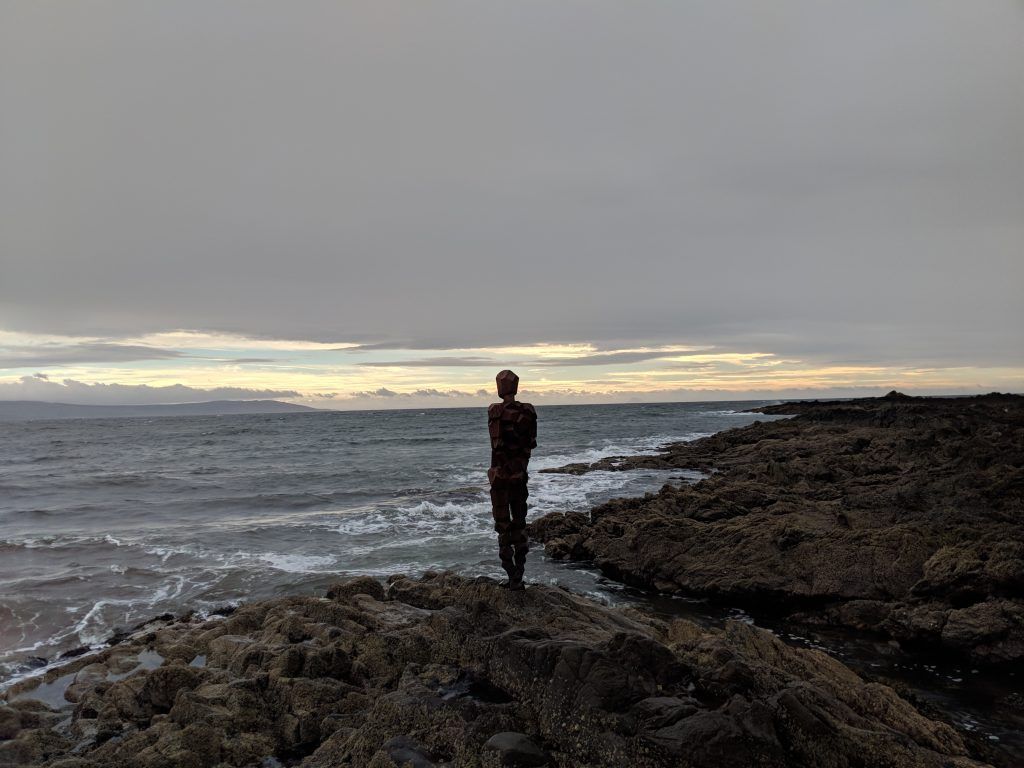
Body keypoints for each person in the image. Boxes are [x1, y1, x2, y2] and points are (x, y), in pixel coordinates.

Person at [487, 369, 537, 590]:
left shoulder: (495, 411)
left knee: (503, 526)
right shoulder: (529, 411)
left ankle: (511, 575)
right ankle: (519, 574)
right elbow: (529, 446)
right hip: (519, 474)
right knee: (520, 522)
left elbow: (496, 445)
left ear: (501, 387)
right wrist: (521, 468)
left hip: (502, 476)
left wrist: (496, 472)